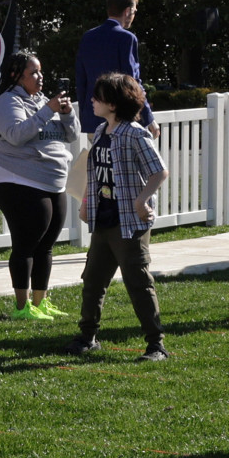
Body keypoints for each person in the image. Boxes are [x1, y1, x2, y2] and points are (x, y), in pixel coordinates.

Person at [72, 72, 167, 360]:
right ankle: (87, 337)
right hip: (104, 221)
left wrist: (141, 200)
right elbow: (94, 174)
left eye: (98, 97)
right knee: (92, 280)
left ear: (113, 104)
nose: (92, 100)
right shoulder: (100, 132)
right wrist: (88, 202)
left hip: (130, 223)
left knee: (138, 282)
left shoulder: (135, 134)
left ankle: (156, 345)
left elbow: (159, 171)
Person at [0, 50, 78, 320]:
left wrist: (66, 113)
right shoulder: (7, 102)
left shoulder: (43, 101)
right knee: (26, 243)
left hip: (52, 181)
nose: (40, 77)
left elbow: (71, 135)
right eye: (33, 73)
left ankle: (40, 302)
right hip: (17, 180)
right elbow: (16, 135)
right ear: (17, 76)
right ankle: (21, 306)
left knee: (47, 244)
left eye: (41, 71)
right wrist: (46, 111)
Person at [72, 0, 146, 136]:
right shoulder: (127, 38)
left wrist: (85, 115)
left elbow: (81, 81)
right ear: (127, 11)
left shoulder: (88, 37)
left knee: (100, 158)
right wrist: (148, 118)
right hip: (120, 119)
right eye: (134, 12)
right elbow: (133, 82)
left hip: (93, 119)